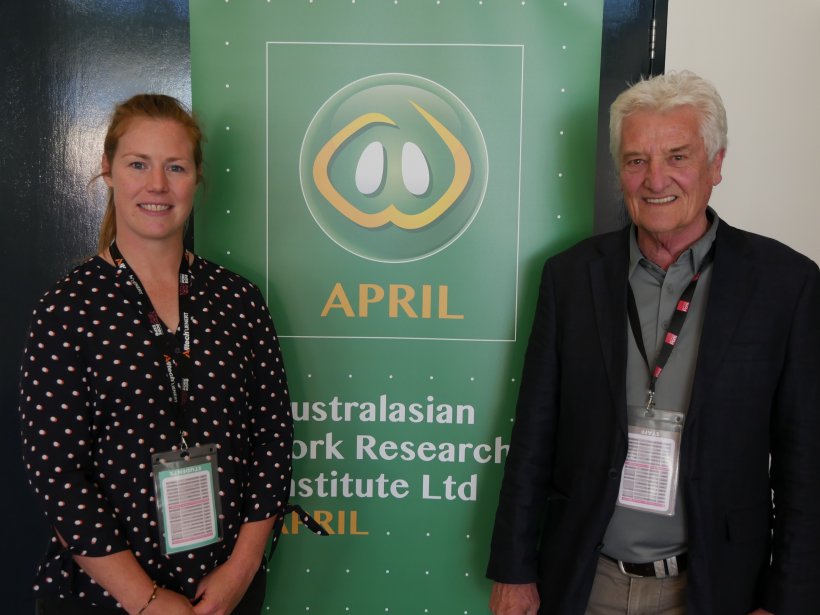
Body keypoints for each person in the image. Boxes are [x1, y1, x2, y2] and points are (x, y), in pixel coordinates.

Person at [487, 71, 820, 615]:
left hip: (715, 590)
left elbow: (804, 466)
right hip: (583, 583)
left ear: (716, 165)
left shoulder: (786, 284)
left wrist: (787, 600)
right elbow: (534, 436)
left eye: (678, 157)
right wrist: (513, 570)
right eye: (636, 159)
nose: (654, 179)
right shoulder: (571, 277)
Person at [19, 94, 293, 614]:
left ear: (196, 178)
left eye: (175, 167)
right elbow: (57, 473)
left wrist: (240, 571)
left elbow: (274, 438)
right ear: (108, 170)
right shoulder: (67, 308)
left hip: (224, 594)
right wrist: (145, 601)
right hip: (107, 596)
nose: (157, 186)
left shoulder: (239, 300)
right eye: (138, 164)